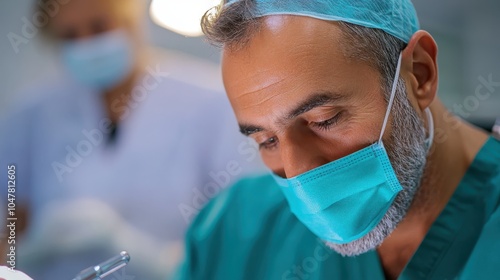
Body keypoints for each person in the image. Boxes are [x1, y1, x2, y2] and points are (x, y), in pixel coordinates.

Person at [177, 0, 500, 279]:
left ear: (420, 73)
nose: (298, 172)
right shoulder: (232, 232)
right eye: (267, 141)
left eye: (324, 120)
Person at [0, 0, 263, 279]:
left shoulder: (208, 101)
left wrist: (139, 249)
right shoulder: (33, 114)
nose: (86, 44)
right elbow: (12, 218)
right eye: (69, 36)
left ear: (131, 21)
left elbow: (238, 230)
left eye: (99, 27)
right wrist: (25, 250)